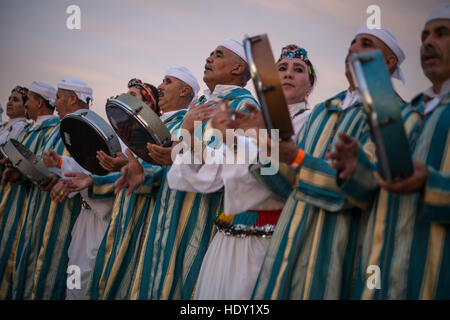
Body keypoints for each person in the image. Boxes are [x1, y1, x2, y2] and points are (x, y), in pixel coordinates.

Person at [250, 26, 406, 300]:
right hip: (290, 238)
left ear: (390, 61)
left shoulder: (394, 112)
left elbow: (369, 187)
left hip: (341, 244)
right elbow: (289, 183)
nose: (353, 49)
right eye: (351, 43)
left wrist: (297, 158)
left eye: (366, 43)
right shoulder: (324, 110)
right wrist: (266, 146)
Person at [167, 44, 317, 299]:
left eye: (298, 69)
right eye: (281, 68)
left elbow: (283, 179)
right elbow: (211, 175)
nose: (288, 74)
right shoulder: (255, 117)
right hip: (226, 236)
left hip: (266, 240)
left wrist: (236, 141)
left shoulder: (312, 122)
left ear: (310, 84)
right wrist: (190, 133)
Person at [327, 4, 450, 299]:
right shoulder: (408, 114)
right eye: (424, 36)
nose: (428, 42)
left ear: (391, 61)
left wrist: (429, 184)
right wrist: (355, 168)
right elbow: (373, 191)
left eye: (441, 33)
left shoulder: (394, 107)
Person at [65, 69, 196, 299]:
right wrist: (105, 174)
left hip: (150, 222)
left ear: (185, 91)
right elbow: (134, 170)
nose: (161, 86)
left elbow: (160, 175)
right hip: (124, 216)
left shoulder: (183, 128)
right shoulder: (137, 131)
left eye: (167, 81)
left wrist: (113, 174)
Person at [11, 78, 97, 299]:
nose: (55, 103)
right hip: (43, 209)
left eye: (59, 97)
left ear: (72, 99)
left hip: (72, 216)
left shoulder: (91, 129)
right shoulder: (60, 127)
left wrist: (65, 176)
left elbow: (96, 170)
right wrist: (52, 167)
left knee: (67, 275)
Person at [0, 82, 59, 299]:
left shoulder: (52, 130)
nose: (26, 104)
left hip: (29, 202)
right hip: (12, 194)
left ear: (39, 102)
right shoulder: (30, 128)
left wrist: (21, 171)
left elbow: (42, 169)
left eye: (29, 99)